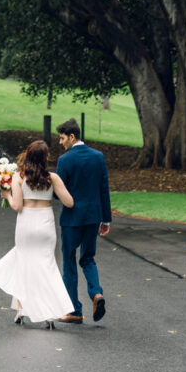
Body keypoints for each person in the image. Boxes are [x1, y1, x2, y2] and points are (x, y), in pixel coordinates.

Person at [0, 140, 75, 327]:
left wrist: (6, 195)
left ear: (28, 155)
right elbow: (69, 202)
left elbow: (17, 206)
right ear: (45, 158)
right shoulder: (53, 178)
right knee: (46, 267)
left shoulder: (19, 177)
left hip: (26, 224)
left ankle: (21, 310)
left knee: (23, 265)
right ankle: (49, 314)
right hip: (45, 225)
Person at [55, 117, 111, 324]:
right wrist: (106, 219)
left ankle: (75, 310)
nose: (60, 143)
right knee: (88, 258)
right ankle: (97, 293)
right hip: (93, 217)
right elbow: (103, 189)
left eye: (62, 139)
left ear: (72, 137)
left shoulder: (65, 160)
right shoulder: (98, 157)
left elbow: (58, 192)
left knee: (69, 260)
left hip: (71, 219)